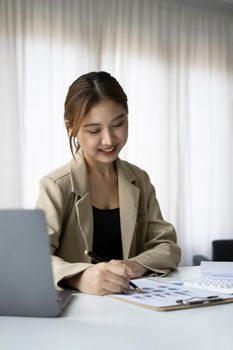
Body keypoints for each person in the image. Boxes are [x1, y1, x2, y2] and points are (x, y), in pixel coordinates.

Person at [36, 71, 181, 296]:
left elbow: (167, 246)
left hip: (135, 309)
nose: (109, 139)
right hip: (78, 318)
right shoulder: (56, 186)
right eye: (94, 130)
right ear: (71, 127)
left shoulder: (139, 180)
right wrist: (80, 277)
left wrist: (134, 265)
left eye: (118, 123)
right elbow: (35, 258)